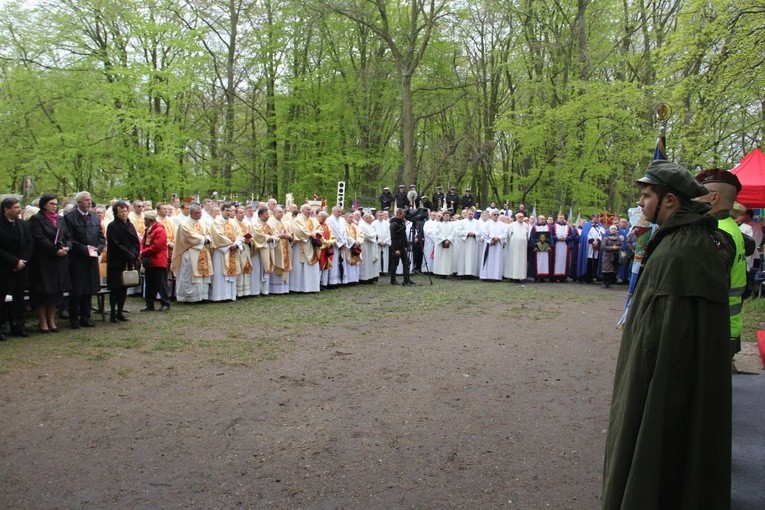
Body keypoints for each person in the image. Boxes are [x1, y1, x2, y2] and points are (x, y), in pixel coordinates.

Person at [602, 160, 732, 510]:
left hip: (664, 389)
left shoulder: (680, 251)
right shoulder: (686, 241)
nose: (641, 204)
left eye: (646, 196)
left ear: (670, 200)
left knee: (661, 454)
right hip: (677, 384)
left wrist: (642, 395)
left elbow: (663, 345)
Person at [694, 168, 747, 357]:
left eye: (699, 194)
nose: (695, 199)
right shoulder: (731, 226)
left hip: (715, 327)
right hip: (729, 323)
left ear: (714, 197)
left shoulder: (716, 233)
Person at [28, 194, 71, 334]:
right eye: (51, 203)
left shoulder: (60, 219)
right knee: (42, 293)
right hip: (43, 261)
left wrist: (66, 247)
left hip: (59, 262)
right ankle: (42, 321)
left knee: (55, 293)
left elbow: (68, 236)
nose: (54, 206)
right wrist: (55, 250)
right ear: (44, 204)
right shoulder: (37, 219)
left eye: (56, 204)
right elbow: (39, 238)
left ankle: (52, 320)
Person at [64, 191, 105, 329]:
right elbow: (69, 238)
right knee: (77, 290)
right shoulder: (70, 218)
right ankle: (74, 318)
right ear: (79, 202)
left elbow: (101, 237)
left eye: (90, 200)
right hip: (77, 259)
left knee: (89, 289)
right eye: (86, 200)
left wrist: (98, 248)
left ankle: (86, 317)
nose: (89, 202)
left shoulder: (94, 218)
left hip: (92, 259)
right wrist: (84, 249)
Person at [0, 197, 34, 338]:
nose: (19, 210)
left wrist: (22, 262)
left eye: (19, 207)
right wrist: (14, 262)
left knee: (18, 298)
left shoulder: (23, 224)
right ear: (6, 209)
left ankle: (18, 325)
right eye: (15, 207)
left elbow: (30, 243)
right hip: (4, 268)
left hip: (21, 268)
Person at [105, 201, 140, 322]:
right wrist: (128, 253)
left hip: (129, 261)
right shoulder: (112, 226)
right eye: (121, 212)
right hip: (116, 261)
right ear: (116, 213)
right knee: (115, 288)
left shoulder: (130, 225)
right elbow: (115, 244)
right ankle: (113, 313)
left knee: (124, 287)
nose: (124, 214)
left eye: (125, 211)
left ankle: (120, 311)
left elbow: (136, 241)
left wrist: (134, 253)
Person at [171, 203, 213, 303]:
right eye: (197, 213)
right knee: (189, 275)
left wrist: (208, 238)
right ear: (191, 213)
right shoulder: (185, 223)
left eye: (200, 213)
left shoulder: (202, 222)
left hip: (203, 251)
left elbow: (208, 233)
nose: (199, 215)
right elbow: (189, 236)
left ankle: (202, 296)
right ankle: (189, 297)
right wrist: (204, 239)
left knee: (203, 275)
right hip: (190, 252)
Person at [208, 202, 243, 301]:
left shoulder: (233, 222)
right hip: (221, 251)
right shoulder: (216, 222)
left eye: (230, 211)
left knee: (231, 273)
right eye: (227, 210)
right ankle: (219, 296)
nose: (229, 213)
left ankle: (230, 295)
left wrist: (236, 243)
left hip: (233, 250)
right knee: (220, 274)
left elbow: (240, 234)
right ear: (222, 211)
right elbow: (218, 236)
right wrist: (230, 244)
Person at [140, 210, 171, 312]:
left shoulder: (159, 230)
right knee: (149, 283)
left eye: (145, 219)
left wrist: (143, 252)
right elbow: (143, 242)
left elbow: (157, 246)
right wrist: (142, 251)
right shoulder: (148, 230)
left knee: (161, 283)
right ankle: (149, 303)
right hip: (149, 261)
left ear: (149, 220)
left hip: (158, 261)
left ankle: (165, 303)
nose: (144, 221)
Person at [289, 204, 321, 293]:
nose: (309, 211)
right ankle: (298, 287)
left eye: (310, 209)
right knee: (300, 266)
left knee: (311, 267)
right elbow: (299, 231)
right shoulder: (297, 220)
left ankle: (312, 287)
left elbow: (320, 229)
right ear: (302, 210)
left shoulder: (314, 220)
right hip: (302, 245)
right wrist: (311, 234)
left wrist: (315, 232)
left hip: (312, 245)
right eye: (307, 209)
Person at [267, 206, 292, 294]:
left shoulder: (284, 222)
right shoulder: (270, 222)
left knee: (285, 263)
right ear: (274, 213)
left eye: (282, 212)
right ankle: (275, 289)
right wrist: (279, 236)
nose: (282, 213)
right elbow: (271, 234)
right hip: (276, 247)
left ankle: (284, 288)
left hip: (285, 245)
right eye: (279, 212)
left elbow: (289, 232)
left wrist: (289, 236)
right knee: (277, 263)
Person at [479, 209, 507, 281]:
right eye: (494, 214)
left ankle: (496, 276)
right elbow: (484, 233)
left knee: (497, 260)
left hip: (498, 245)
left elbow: (505, 234)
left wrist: (498, 238)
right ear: (491, 215)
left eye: (497, 215)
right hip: (489, 245)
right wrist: (492, 238)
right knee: (488, 259)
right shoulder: (487, 224)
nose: (496, 216)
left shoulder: (502, 225)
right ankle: (486, 276)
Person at [389, 208, 414, 285]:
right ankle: (393, 280)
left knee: (406, 263)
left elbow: (404, 236)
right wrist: (395, 249)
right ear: (398, 214)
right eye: (403, 214)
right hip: (396, 247)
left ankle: (406, 279)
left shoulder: (402, 223)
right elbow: (393, 237)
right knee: (395, 263)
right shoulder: (393, 224)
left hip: (402, 246)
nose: (404, 216)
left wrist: (406, 245)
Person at [504, 213, 529, 282]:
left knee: (521, 261)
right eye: (519, 217)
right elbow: (508, 235)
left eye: (522, 217)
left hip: (522, 247)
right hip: (513, 246)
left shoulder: (526, 226)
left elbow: (527, 236)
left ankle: (520, 277)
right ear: (516, 217)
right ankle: (512, 276)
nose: (521, 218)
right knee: (513, 261)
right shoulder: (512, 225)